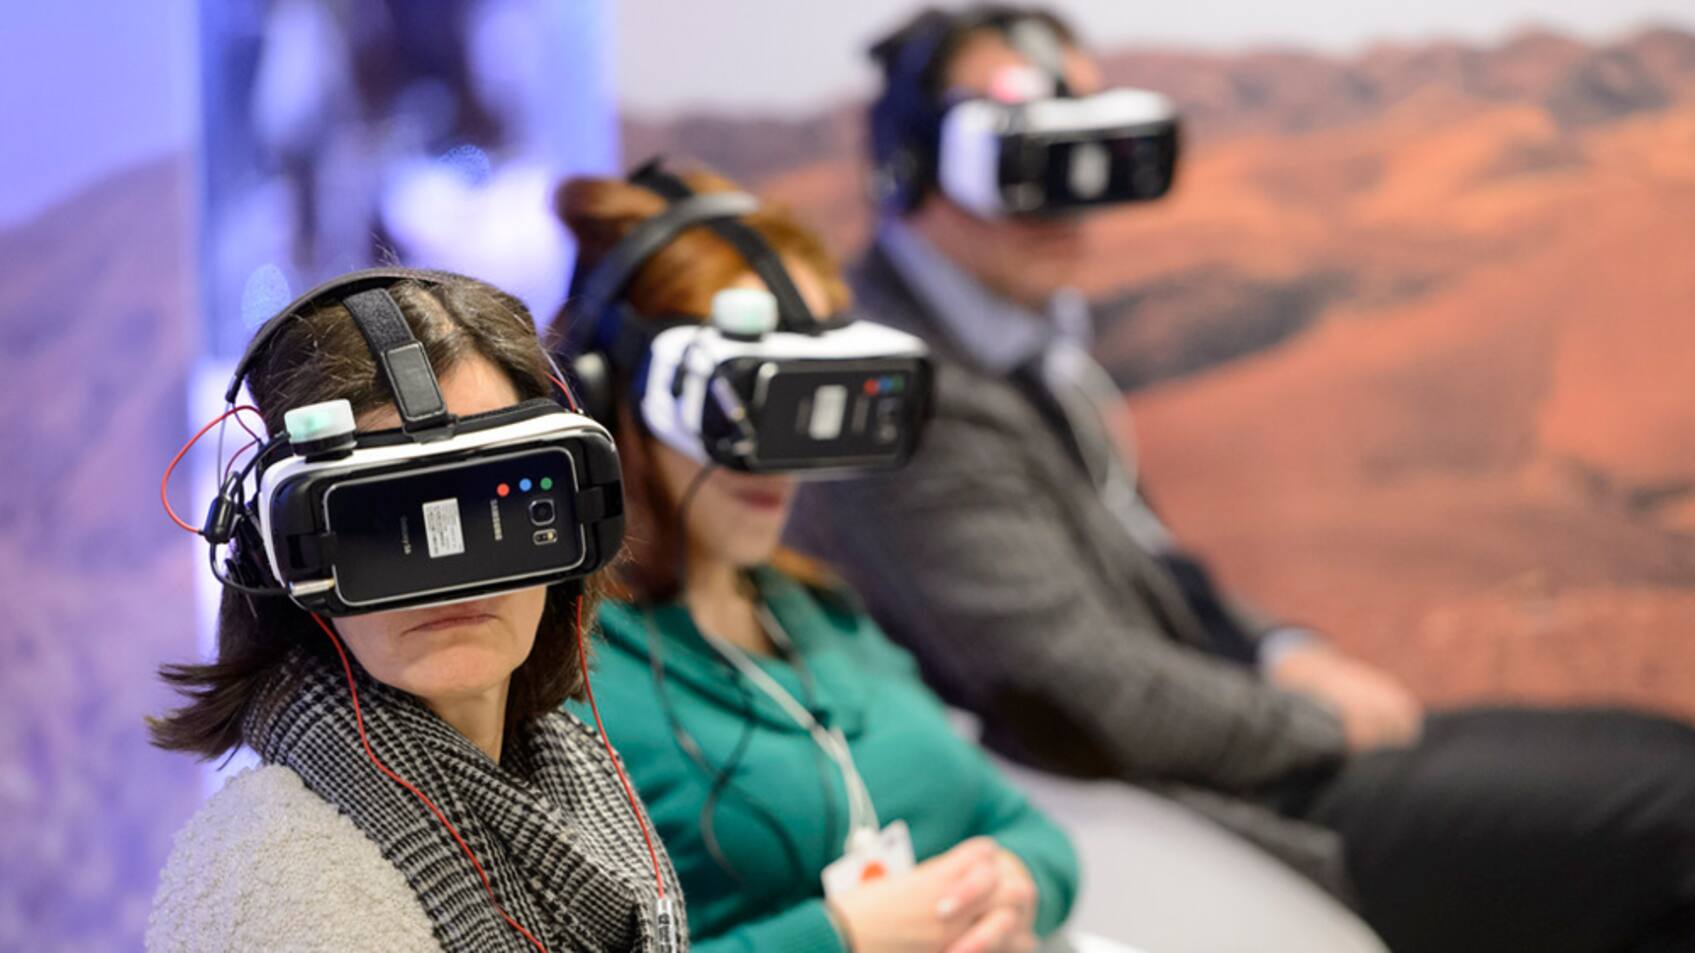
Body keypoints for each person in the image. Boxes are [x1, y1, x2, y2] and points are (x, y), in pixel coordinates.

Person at [788, 6, 1695, 953]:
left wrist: (1282, 648)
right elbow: (1079, 687)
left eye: (1086, 145)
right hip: (1209, 805)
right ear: (911, 162)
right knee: (1669, 812)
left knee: (1660, 752)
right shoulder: (897, 399)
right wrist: (1318, 723)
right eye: (1023, 155)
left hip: (1241, 737)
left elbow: (1152, 563)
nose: (1067, 195)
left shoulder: (1016, 342)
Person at [551, 165, 1080, 953]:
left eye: (805, 401)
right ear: (605, 395)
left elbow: (1021, 826)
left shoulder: (818, 612)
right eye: (742, 402)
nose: (778, 460)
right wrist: (842, 937)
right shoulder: (560, 678)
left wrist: (1016, 883)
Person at [147, 270, 685, 952]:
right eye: (385, 522)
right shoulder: (270, 877)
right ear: (282, 554)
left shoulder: (580, 783)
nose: (452, 578)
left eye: (493, 503)